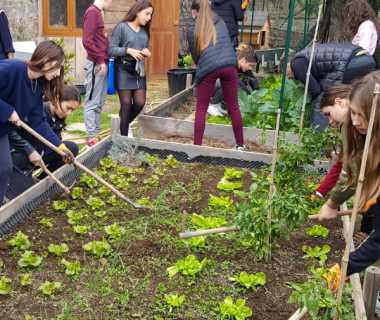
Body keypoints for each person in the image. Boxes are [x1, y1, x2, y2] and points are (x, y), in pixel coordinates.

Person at [0, 40, 75, 207]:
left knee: (4, 168)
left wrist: (60, 148)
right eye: (57, 67)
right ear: (46, 60)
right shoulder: (14, 68)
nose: (58, 73)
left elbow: (39, 122)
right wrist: (7, 110)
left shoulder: (37, 86)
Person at [317, 84, 374, 247]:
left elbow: (353, 169)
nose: (331, 121)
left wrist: (333, 203)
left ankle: (368, 232)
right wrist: (321, 192)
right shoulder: (351, 127)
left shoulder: (355, 124)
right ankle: (367, 230)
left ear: (340, 102)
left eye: (328, 113)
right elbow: (343, 163)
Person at [5, 85, 81, 201]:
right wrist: (29, 151)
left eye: (72, 110)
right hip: (17, 161)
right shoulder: (37, 112)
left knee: (71, 148)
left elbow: (53, 143)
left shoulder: (56, 119)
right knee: (28, 200)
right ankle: (6, 191)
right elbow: (10, 133)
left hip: (35, 158)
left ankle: (40, 181)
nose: (69, 113)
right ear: (57, 98)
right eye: (68, 107)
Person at [188, 0, 245, 150]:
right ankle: (240, 144)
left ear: (194, 11)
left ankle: (196, 148)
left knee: (201, 108)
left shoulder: (192, 27)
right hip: (230, 65)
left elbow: (196, 57)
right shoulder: (219, 21)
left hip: (209, 67)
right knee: (234, 107)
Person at [282, 43, 375, 132]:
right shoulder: (305, 56)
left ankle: (318, 145)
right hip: (366, 58)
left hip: (351, 62)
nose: (288, 79)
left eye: (285, 74)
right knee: (355, 100)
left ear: (288, 66)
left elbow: (315, 90)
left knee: (320, 105)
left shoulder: (296, 63)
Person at [107, 1, 153, 137]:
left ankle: (123, 126)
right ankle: (124, 136)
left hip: (138, 70)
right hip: (123, 68)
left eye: (150, 15)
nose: (149, 18)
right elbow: (111, 50)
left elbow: (146, 46)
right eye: (147, 14)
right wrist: (128, 50)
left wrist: (147, 50)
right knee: (126, 104)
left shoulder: (144, 31)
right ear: (138, 11)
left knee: (140, 103)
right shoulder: (121, 27)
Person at [82, 0, 114, 149]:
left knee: (100, 102)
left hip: (103, 63)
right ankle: (91, 137)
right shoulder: (92, 12)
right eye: (112, 1)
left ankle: (96, 134)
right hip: (96, 64)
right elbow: (87, 41)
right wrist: (100, 60)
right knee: (92, 102)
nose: (111, 4)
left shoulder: (97, 13)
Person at [208, 43, 259, 116]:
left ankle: (218, 104)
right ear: (242, 60)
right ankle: (212, 105)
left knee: (243, 80)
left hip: (213, 85)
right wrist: (250, 97)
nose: (250, 68)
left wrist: (256, 90)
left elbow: (252, 79)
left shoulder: (241, 65)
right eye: (250, 65)